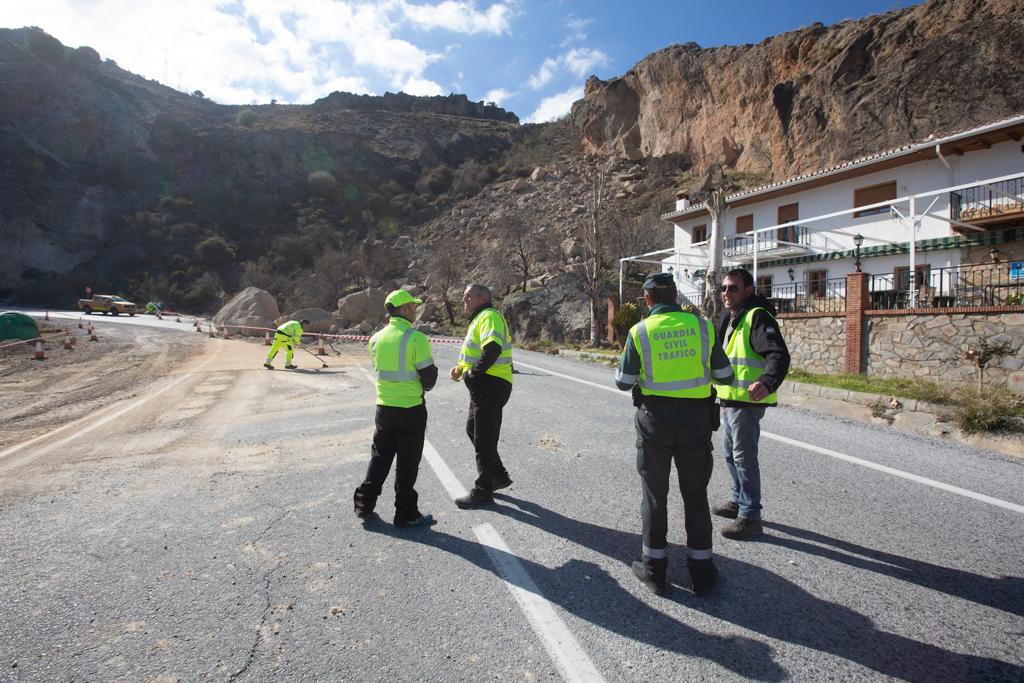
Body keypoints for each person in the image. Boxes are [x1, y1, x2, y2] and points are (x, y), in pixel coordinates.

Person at [615, 272, 734, 596]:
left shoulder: (640, 331)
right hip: (696, 423)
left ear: (648, 300)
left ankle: (654, 570)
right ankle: (702, 573)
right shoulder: (703, 327)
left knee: (655, 497)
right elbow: (725, 375)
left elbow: (624, 381)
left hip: (655, 422)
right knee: (695, 496)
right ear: (677, 296)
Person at [713, 268, 791, 540]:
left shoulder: (757, 317)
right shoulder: (732, 316)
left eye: (733, 288)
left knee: (744, 457)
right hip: (731, 398)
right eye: (724, 288)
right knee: (730, 454)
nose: (726, 293)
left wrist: (767, 381)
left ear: (748, 290)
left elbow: (778, 355)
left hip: (748, 400)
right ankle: (738, 501)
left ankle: (750, 516)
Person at [354, 290, 438, 527]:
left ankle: (364, 504)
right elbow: (428, 379)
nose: (415, 309)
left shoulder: (375, 339)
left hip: (384, 407)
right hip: (411, 408)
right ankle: (406, 513)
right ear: (403, 309)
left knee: (380, 457)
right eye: (412, 306)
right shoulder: (416, 338)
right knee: (407, 462)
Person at [449, 283, 514, 509]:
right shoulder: (479, 319)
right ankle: (498, 476)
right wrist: (461, 369)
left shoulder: (489, 316)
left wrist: (473, 375)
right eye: (463, 296)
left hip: (490, 383)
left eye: (468, 296)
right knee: (474, 430)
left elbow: (492, 348)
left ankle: (483, 490)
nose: (463, 299)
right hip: (485, 383)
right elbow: (475, 352)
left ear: (484, 296)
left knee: (484, 437)